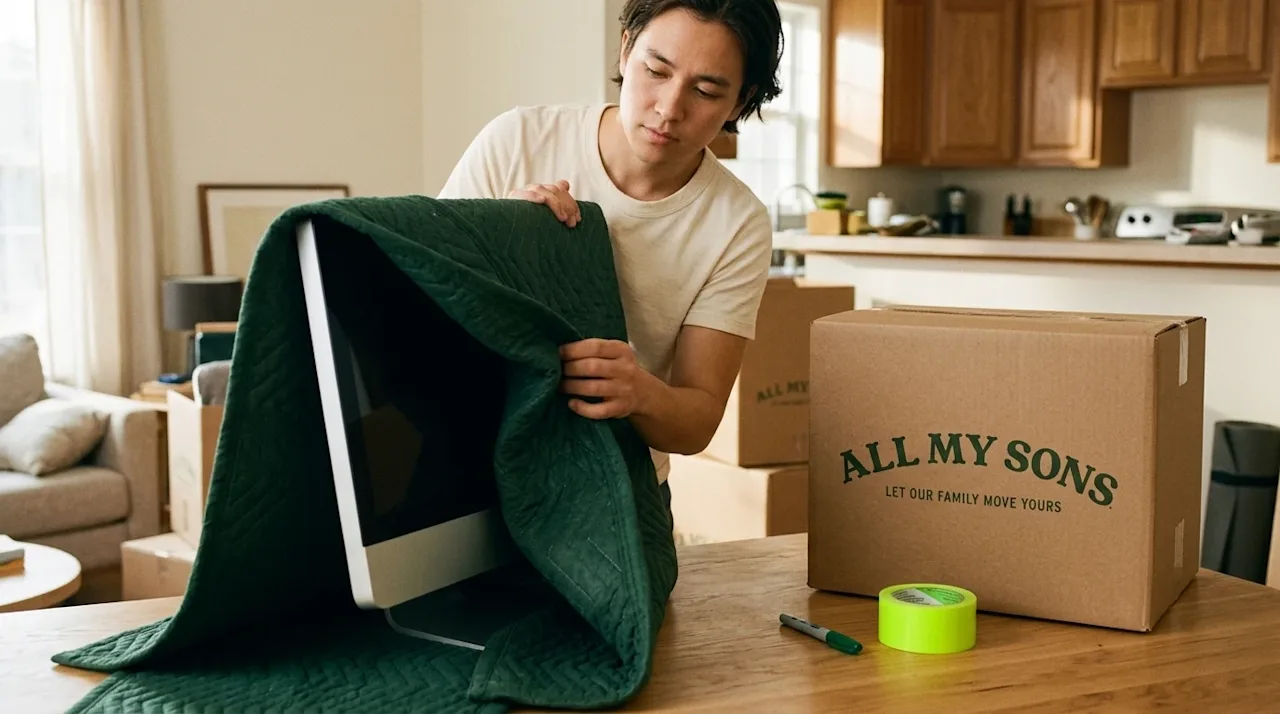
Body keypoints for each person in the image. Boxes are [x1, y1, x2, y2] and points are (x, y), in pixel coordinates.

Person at [437, 0, 785, 494]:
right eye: (655, 70)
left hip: (617, 489)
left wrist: (639, 393)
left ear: (740, 101)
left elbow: (697, 422)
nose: (669, 108)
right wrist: (500, 232)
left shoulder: (737, 223)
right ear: (625, 50)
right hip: (477, 468)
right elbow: (420, 312)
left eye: (705, 90)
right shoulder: (517, 139)